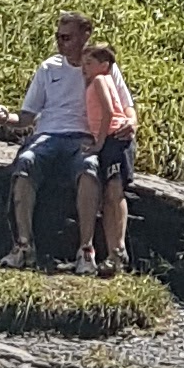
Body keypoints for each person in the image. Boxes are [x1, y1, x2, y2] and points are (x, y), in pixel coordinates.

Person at [4, 14, 96, 265]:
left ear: (86, 35)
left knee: (90, 168)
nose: (60, 43)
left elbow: (121, 106)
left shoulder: (100, 67)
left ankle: (86, 249)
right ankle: (24, 244)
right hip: (48, 135)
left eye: (67, 37)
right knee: (25, 161)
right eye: (58, 37)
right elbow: (26, 117)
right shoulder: (48, 68)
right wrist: (5, 118)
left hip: (83, 137)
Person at [79, 35, 138, 276]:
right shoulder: (97, 80)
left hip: (115, 140)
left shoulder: (100, 80)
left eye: (89, 63)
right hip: (109, 140)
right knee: (107, 193)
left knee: (115, 190)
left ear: (104, 65)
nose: (84, 68)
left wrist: (100, 142)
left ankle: (118, 248)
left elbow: (109, 112)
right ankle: (113, 252)